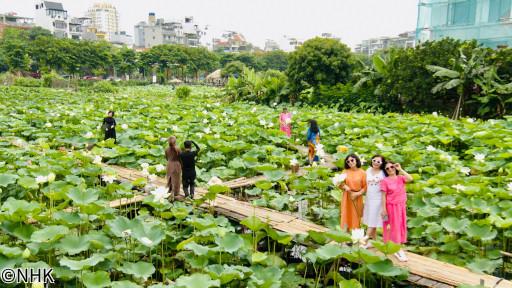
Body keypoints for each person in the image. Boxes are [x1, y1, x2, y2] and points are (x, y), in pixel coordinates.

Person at [381, 161, 413, 262]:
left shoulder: (401, 178)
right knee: (393, 227)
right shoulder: (384, 181)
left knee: (400, 226)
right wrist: (384, 210)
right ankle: (397, 248)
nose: (390, 169)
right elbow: (383, 197)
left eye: (392, 167)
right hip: (391, 207)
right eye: (387, 168)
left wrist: (400, 169)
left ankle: (396, 247)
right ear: (385, 171)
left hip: (401, 206)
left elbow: (410, 178)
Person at [362, 155, 386, 247]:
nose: (376, 162)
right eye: (374, 160)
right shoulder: (367, 170)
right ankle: (375, 242)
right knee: (371, 217)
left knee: (373, 217)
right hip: (369, 197)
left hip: (379, 198)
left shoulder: (383, 173)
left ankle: (366, 238)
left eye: (378, 161)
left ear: (382, 163)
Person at [339, 154, 367, 232]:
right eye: (348, 161)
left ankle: (355, 234)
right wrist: (344, 186)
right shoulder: (345, 172)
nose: (350, 162)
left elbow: (365, 187)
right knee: (346, 214)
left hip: (357, 196)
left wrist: (357, 194)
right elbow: (340, 183)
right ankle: (345, 234)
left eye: (352, 160)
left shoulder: (362, 173)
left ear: (356, 160)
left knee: (356, 215)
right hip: (347, 196)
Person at [165, 136, 182, 200]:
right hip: (176, 164)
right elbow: (180, 158)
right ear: (175, 142)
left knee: (169, 178)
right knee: (176, 179)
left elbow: (166, 157)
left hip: (169, 164)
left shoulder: (166, 149)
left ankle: (169, 190)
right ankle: (176, 193)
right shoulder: (178, 149)